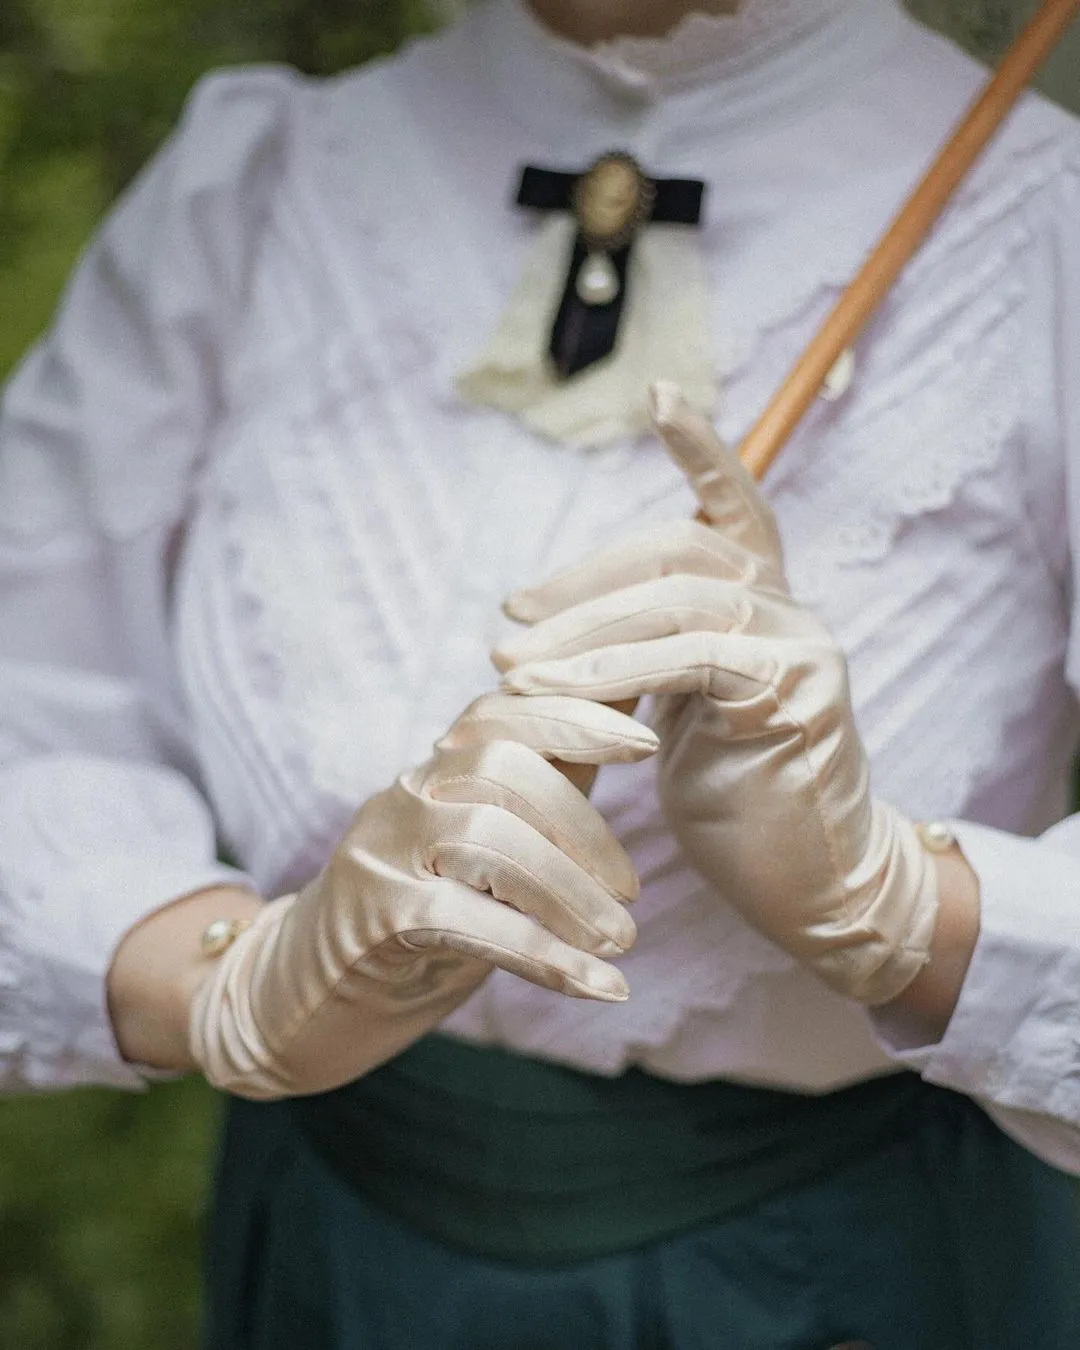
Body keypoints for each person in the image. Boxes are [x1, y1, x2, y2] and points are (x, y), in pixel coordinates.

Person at [4, 0, 1080, 1344]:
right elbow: (26, 697)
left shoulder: (1052, 231)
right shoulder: (260, 186)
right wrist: (220, 974)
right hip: (324, 1259)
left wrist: (897, 900)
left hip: (847, 1282)